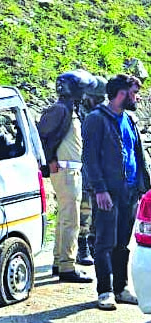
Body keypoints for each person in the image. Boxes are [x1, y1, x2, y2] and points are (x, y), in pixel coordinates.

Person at [82, 74, 151, 310]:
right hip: (107, 193)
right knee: (105, 243)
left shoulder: (129, 119)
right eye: (134, 92)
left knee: (123, 243)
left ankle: (121, 288)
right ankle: (105, 291)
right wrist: (99, 190)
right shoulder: (96, 120)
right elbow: (90, 158)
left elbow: (138, 156)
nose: (137, 97)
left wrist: (144, 187)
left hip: (130, 193)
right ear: (121, 93)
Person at [37, 70, 95, 283]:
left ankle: (59, 261)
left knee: (64, 218)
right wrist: (50, 159)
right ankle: (67, 266)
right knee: (71, 219)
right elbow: (42, 136)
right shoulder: (60, 110)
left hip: (69, 170)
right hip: (65, 170)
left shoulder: (68, 109)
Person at [76, 75, 108, 266]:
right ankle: (82, 246)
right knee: (84, 210)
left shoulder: (103, 114)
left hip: (98, 168)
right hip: (81, 168)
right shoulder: (75, 113)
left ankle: (94, 242)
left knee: (99, 210)